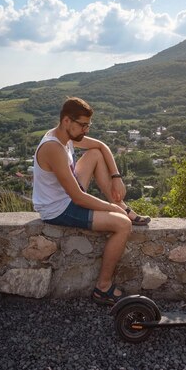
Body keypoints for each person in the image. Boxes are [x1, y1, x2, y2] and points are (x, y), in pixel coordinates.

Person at [32, 97, 150, 305]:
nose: (86, 130)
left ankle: (124, 207)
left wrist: (116, 177)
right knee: (122, 225)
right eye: (83, 125)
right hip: (58, 208)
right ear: (67, 121)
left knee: (94, 153)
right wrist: (112, 208)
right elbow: (77, 197)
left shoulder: (66, 136)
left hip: (68, 195)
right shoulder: (54, 148)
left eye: (88, 125)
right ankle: (102, 288)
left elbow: (101, 146)